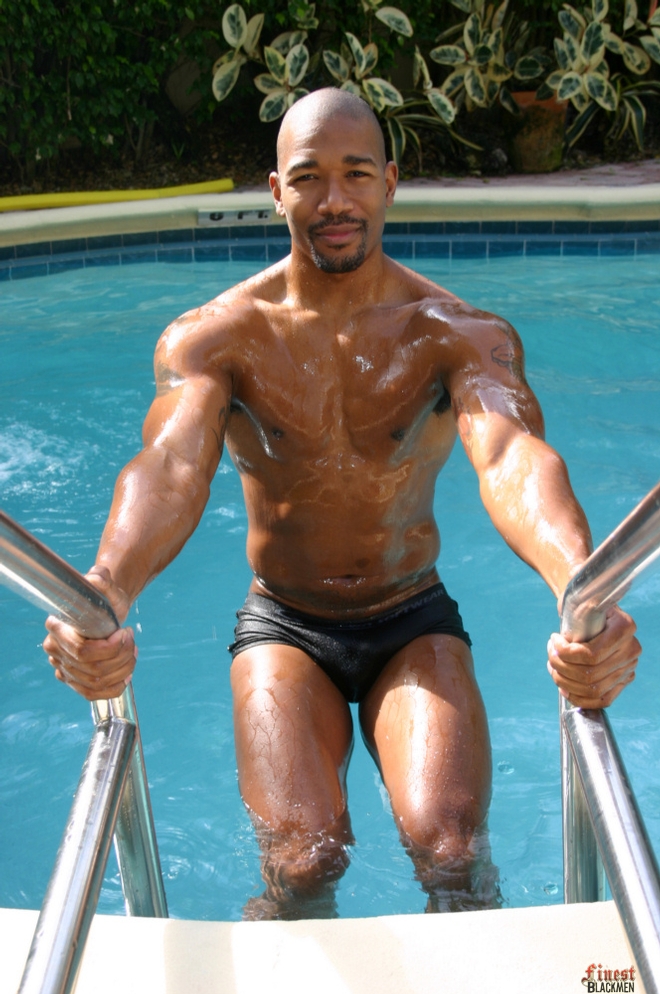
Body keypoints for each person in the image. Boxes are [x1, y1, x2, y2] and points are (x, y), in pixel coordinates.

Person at [42, 88, 641, 919]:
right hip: (286, 623)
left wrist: (584, 588)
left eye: (356, 174)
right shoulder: (217, 337)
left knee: (453, 853)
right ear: (275, 190)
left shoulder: (457, 333)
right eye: (308, 178)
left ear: (389, 183)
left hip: (411, 617)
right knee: (302, 861)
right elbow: (171, 463)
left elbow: (511, 457)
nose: (334, 200)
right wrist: (106, 588)